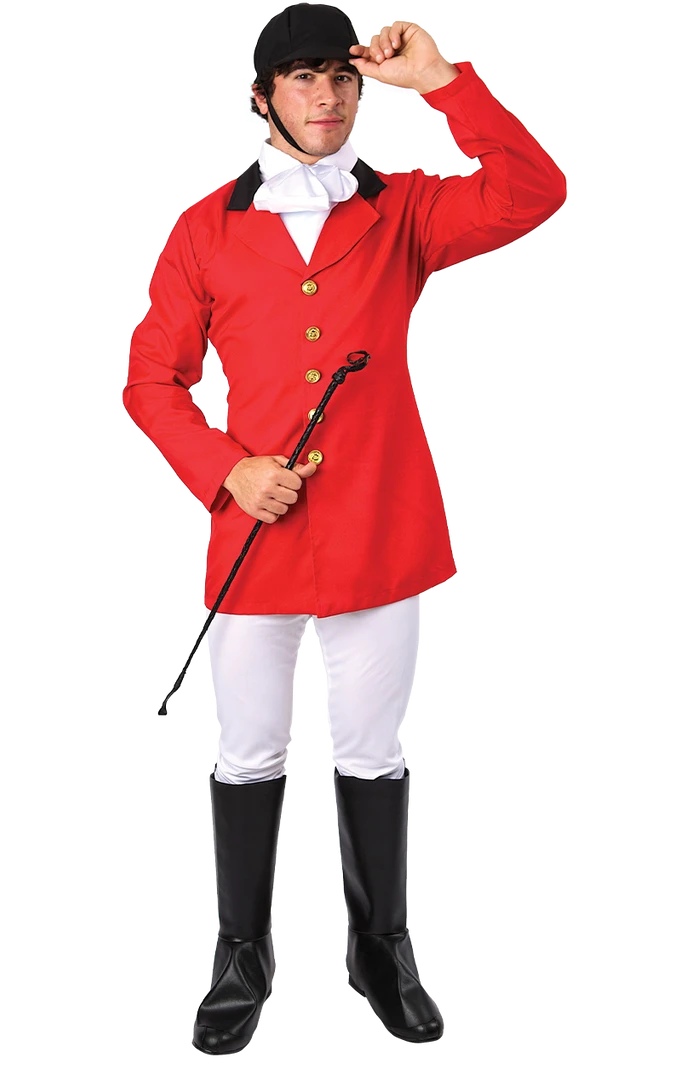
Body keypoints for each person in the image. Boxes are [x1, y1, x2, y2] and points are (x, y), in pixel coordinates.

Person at [120, 4, 568, 1056]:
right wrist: (228, 470)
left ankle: (383, 950)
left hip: (379, 525)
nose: (327, 96)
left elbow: (534, 192)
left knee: (373, 748)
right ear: (260, 97)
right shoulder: (202, 227)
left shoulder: (404, 208)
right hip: (255, 536)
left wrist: (444, 82)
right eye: (302, 78)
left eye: (342, 78)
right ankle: (240, 958)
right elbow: (151, 380)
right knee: (247, 751)